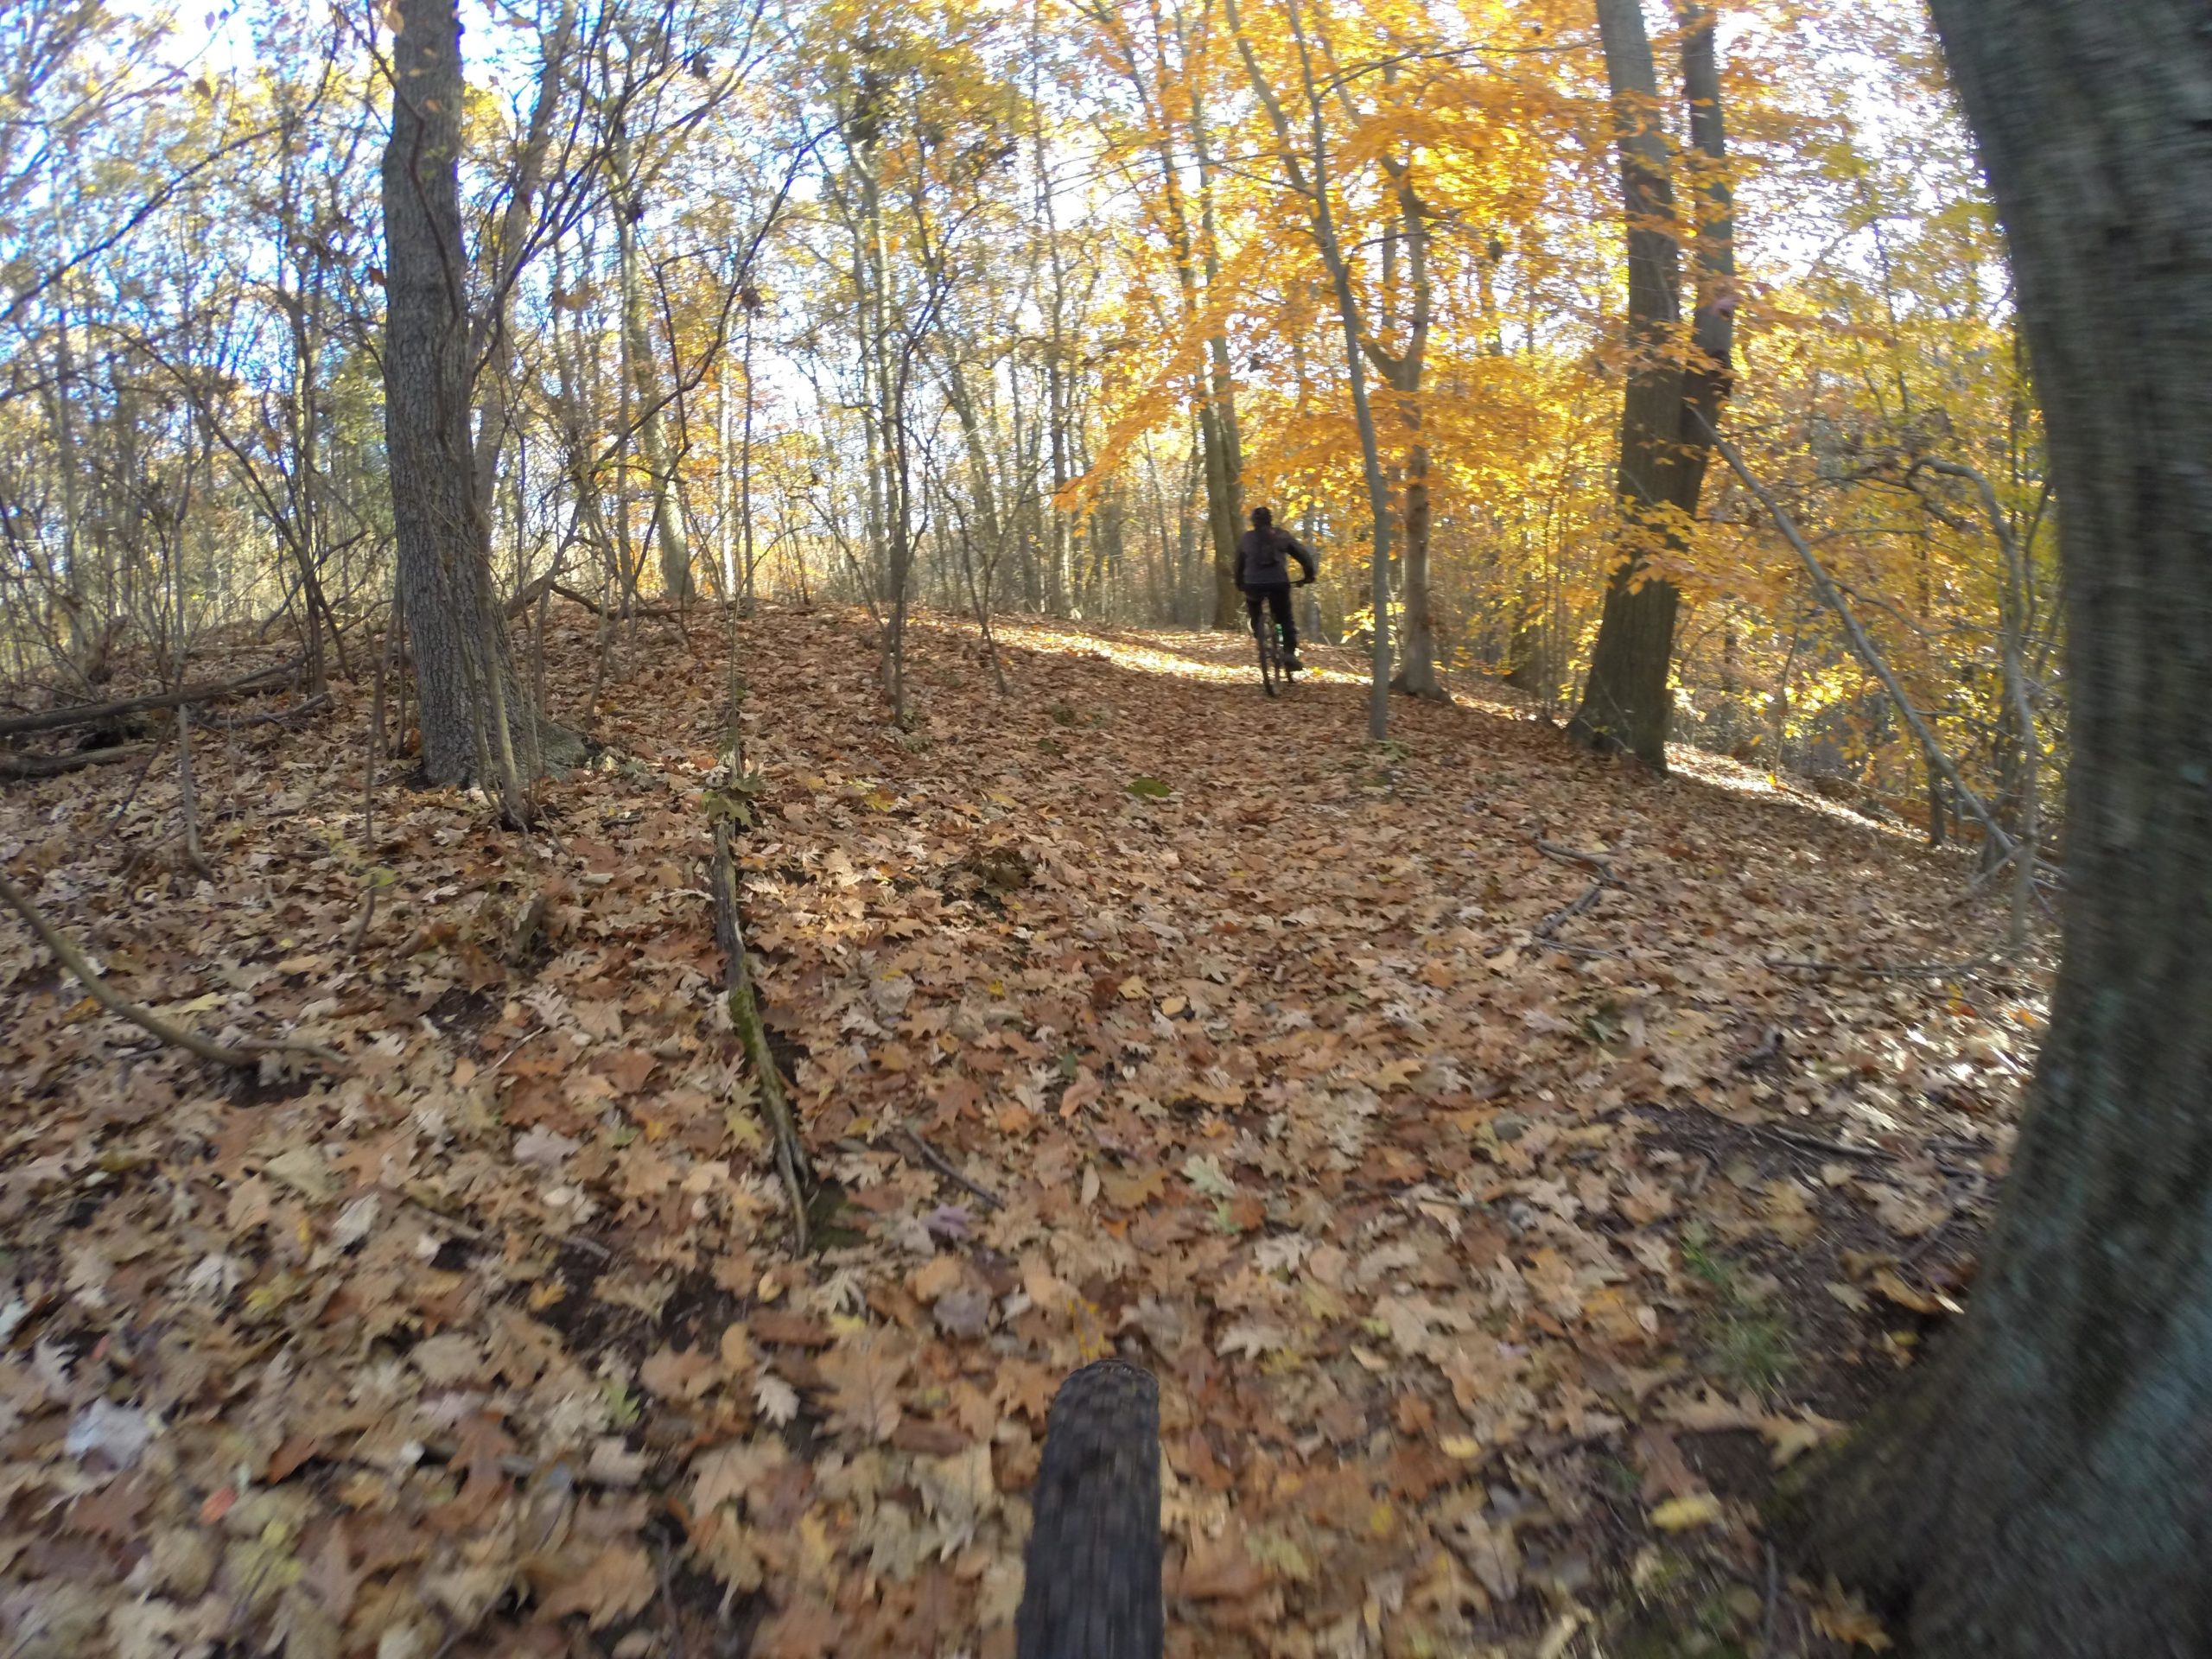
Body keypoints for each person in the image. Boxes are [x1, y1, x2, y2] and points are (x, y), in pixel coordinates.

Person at [1234, 506, 1316, 671]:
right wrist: (1309, 575)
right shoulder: (1281, 535)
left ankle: (1262, 639)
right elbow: (1303, 555)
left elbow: (1238, 565)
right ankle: (1289, 653)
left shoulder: (1246, 539)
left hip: (1252, 584)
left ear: (1253, 522)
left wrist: (1240, 583)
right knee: (1284, 617)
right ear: (1270, 520)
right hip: (1278, 583)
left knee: (1255, 610)